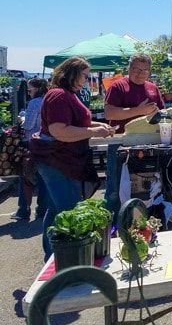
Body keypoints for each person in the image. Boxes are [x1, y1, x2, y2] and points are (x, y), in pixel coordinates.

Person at [29, 57, 115, 259]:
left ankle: (52, 257)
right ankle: (65, 260)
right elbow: (59, 130)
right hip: (57, 160)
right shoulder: (58, 95)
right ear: (71, 73)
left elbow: (77, 121)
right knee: (68, 211)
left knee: (54, 210)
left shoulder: (67, 94)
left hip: (59, 160)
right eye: (84, 75)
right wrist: (93, 132)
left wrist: (98, 126)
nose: (86, 80)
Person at [11, 78, 49, 220]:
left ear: (36, 89)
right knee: (43, 177)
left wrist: (22, 117)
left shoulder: (34, 103)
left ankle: (23, 210)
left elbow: (28, 125)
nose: (28, 91)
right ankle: (42, 209)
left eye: (30, 89)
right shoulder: (47, 100)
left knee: (25, 177)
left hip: (30, 143)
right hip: (44, 143)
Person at [104, 54, 164, 133]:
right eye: (136, 70)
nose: (140, 74)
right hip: (122, 139)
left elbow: (162, 112)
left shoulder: (153, 87)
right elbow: (109, 114)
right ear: (129, 69)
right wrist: (139, 111)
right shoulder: (117, 86)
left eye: (145, 70)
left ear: (149, 72)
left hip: (149, 138)